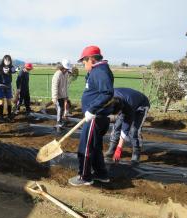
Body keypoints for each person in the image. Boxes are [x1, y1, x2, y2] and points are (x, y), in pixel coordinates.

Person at [68, 45, 114, 186]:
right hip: (96, 116)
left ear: (92, 59)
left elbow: (107, 92)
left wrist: (92, 109)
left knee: (85, 147)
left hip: (95, 117)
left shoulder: (99, 71)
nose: (83, 64)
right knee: (95, 147)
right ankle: (101, 174)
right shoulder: (97, 70)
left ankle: (84, 176)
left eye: (84, 61)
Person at [105, 88, 150, 164]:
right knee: (117, 126)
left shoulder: (129, 107)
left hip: (141, 106)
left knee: (134, 130)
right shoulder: (108, 97)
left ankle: (136, 152)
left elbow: (125, 129)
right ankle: (112, 148)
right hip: (125, 101)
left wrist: (119, 148)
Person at [0, 55, 16, 122]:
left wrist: (15, 70)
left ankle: (9, 116)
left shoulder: (11, 67)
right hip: (1, 86)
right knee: (1, 101)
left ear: (10, 61)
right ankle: (1, 116)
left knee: (9, 101)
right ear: (3, 60)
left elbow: (13, 71)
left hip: (8, 86)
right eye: (6, 60)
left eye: (9, 60)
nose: (7, 61)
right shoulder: (0, 67)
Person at [51, 59, 72, 127]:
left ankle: (60, 120)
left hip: (63, 94)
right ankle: (58, 122)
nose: (66, 70)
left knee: (62, 108)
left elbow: (65, 85)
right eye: (65, 69)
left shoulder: (65, 74)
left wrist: (66, 95)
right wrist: (54, 97)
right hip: (58, 95)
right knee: (60, 108)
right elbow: (54, 86)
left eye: (67, 69)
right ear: (62, 67)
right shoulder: (57, 75)